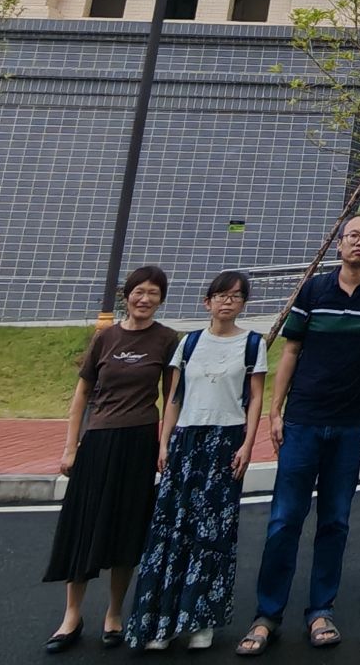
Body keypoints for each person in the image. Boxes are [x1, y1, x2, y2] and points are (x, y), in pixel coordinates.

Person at [241, 216, 360, 656]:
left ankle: (321, 610)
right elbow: (291, 349)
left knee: (335, 521)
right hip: (303, 420)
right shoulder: (314, 290)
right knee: (284, 520)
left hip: (351, 424)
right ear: (339, 244)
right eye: (352, 236)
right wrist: (276, 410)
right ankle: (267, 614)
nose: (359, 243)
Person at [126, 269, 270, 652]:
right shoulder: (188, 343)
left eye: (236, 296)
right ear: (207, 302)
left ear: (243, 304)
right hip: (186, 440)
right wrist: (164, 443)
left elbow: (256, 398)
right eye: (221, 295)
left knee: (213, 533)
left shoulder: (253, 344)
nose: (228, 302)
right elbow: (174, 397)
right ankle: (160, 622)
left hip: (226, 442)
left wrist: (247, 444)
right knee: (171, 529)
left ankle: (201, 621)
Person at [42, 265, 179, 654]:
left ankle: (115, 614)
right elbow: (82, 394)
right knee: (83, 527)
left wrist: (164, 444)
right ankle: (71, 616)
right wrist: (71, 446)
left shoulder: (167, 339)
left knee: (126, 528)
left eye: (153, 293)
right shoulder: (105, 338)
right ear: (127, 295)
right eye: (139, 291)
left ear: (161, 299)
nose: (145, 299)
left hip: (139, 443)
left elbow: (171, 397)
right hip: (98, 441)